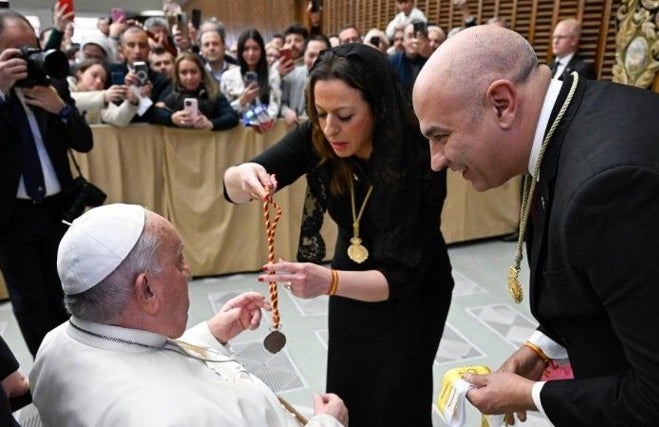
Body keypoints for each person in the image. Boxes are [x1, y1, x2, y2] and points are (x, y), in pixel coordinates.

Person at [412, 25, 659, 426]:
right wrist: (542, 346)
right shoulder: (574, 121)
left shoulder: (616, 189)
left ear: (502, 103)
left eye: (440, 136)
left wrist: (532, 395)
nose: (436, 160)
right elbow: (615, 290)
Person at [224, 43, 454, 427]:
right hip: (349, 279)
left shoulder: (419, 153)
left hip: (414, 287)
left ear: (378, 107)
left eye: (345, 116)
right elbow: (234, 186)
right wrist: (242, 174)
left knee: (399, 395)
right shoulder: (318, 135)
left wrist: (326, 280)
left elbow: (399, 278)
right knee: (347, 388)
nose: (330, 129)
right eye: (320, 113)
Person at [29, 203, 348, 427]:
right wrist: (328, 422)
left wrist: (210, 334)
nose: (188, 271)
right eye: (179, 261)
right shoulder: (179, 418)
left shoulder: (56, 345)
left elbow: (145, 358)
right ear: (148, 292)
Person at [0, 9, 94, 357]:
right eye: (15, 51)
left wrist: (62, 110)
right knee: (30, 302)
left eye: (32, 48)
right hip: (14, 218)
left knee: (70, 292)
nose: (28, 58)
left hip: (60, 209)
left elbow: (84, 141)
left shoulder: (52, 83)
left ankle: (82, 363)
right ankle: (49, 373)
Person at [154, 52, 238, 131]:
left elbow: (232, 116)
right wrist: (172, 118)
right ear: (177, 75)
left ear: (201, 74)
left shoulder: (213, 92)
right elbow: (155, 112)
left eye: (193, 72)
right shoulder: (170, 91)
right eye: (184, 72)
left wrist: (211, 124)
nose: (189, 77)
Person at [220, 28, 281, 132]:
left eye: (255, 48)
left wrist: (254, 119)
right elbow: (223, 110)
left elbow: (274, 106)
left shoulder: (272, 75)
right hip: (235, 132)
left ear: (262, 50)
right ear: (240, 51)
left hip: (264, 131)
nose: (251, 53)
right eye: (246, 49)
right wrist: (241, 101)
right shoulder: (228, 77)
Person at [67, 58, 138, 126]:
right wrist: (103, 96)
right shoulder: (64, 85)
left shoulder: (101, 99)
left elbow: (119, 120)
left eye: (103, 80)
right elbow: (69, 100)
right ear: (80, 73)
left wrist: (131, 103)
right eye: (94, 75)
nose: (98, 82)